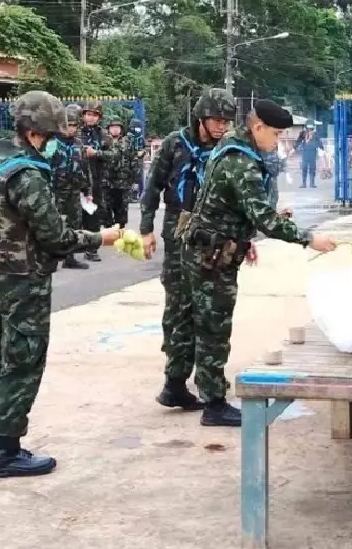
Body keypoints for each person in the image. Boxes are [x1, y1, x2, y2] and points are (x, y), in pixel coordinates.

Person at [0, 90, 121, 477]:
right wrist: (99, 238)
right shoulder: (28, 174)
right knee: (22, 362)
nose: (55, 140)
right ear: (39, 131)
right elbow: (54, 236)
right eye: (52, 134)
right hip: (24, 280)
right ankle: (6, 451)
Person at [180, 99, 337, 425]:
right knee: (213, 328)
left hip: (216, 247)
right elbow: (263, 217)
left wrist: (245, 233)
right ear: (258, 127)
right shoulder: (241, 162)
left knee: (210, 325)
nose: (277, 141)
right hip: (211, 255)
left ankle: (209, 394)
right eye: (276, 134)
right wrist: (309, 238)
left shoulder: (232, 147)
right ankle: (214, 404)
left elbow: (236, 207)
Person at [140, 88, 236, 411]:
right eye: (217, 120)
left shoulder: (225, 148)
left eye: (227, 121)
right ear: (201, 118)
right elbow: (152, 186)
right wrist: (145, 229)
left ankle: (205, 381)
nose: (222, 126)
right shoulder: (174, 143)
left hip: (209, 235)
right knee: (179, 307)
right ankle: (175, 382)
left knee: (207, 307)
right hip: (176, 231)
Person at [76, 101, 117, 262]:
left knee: (93, 214)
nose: (90, 117)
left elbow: (113, 156)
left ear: (99, 118)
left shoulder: (103, 135)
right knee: (74, 214)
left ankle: (91, 249)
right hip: (77, 179)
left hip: (97, 180)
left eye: (94, 115)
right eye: (88, 114)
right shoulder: (77, 132)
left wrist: (97, 153)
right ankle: (73, 247)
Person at [51, 105, 89, 271]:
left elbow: (84, 168)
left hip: (74, 190)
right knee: (53, 223)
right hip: (55, 190)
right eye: (67, 125)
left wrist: (88, 190)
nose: (70, 129)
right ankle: (49, 256)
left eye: (73, 125)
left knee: (74, 223)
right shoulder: (52, 144)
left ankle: (70, 257)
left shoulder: (79, 144)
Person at [102, 119, 138, 229]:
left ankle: (120, 228)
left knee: (122, 207)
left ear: (121, 129)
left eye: (117, 127)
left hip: (124, 182)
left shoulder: (127, 142)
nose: (115, 129)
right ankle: (108, 229)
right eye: (112, 127)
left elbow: (134, 160)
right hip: (107, 181)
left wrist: (136, 180)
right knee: (106, 206)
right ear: (108, 129)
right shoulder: (103, 142)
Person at [296, 123, 323, 188]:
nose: (310, 130)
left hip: (312, 152)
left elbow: (319, 142)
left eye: (311, 129)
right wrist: (294, 148)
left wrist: (322, 148)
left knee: (312, 168)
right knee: (304, 168)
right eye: (308, 128)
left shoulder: (315, 134)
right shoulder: (303, 133)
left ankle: (312, 183)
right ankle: (304, 183)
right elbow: (298, 141)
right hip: (305, 153)